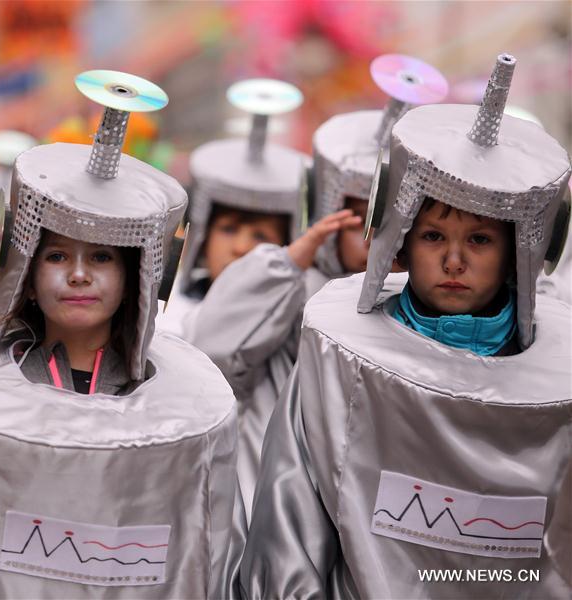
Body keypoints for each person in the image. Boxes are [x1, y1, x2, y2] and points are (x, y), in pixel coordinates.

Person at [0, 71, 243, 599]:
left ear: (137, 274)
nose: (79, 275)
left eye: (103, 258)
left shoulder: (183, 409)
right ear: (23, 269)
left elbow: (204, 558)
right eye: (58, 255)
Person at [240, 53, 572, 598]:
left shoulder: (560, 386)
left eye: (481, 240)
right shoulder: (337, 350)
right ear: (397, 242)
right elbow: (292, 520)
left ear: (519, 256)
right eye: (434, 237)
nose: (455, 261)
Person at [186, 56, 447, 519]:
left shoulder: (430, 311)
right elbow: (215, 351)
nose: (379, 239)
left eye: (394, 220)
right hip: (278, 504)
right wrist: (285, 263)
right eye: (360, 219)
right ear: (330, 214)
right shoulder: (294, 293)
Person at [156, 78, 309, 340]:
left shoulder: (294, 331)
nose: (241, 247)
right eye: (228, 229)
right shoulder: (163, 318)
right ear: (203, 237)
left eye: (261, 236)